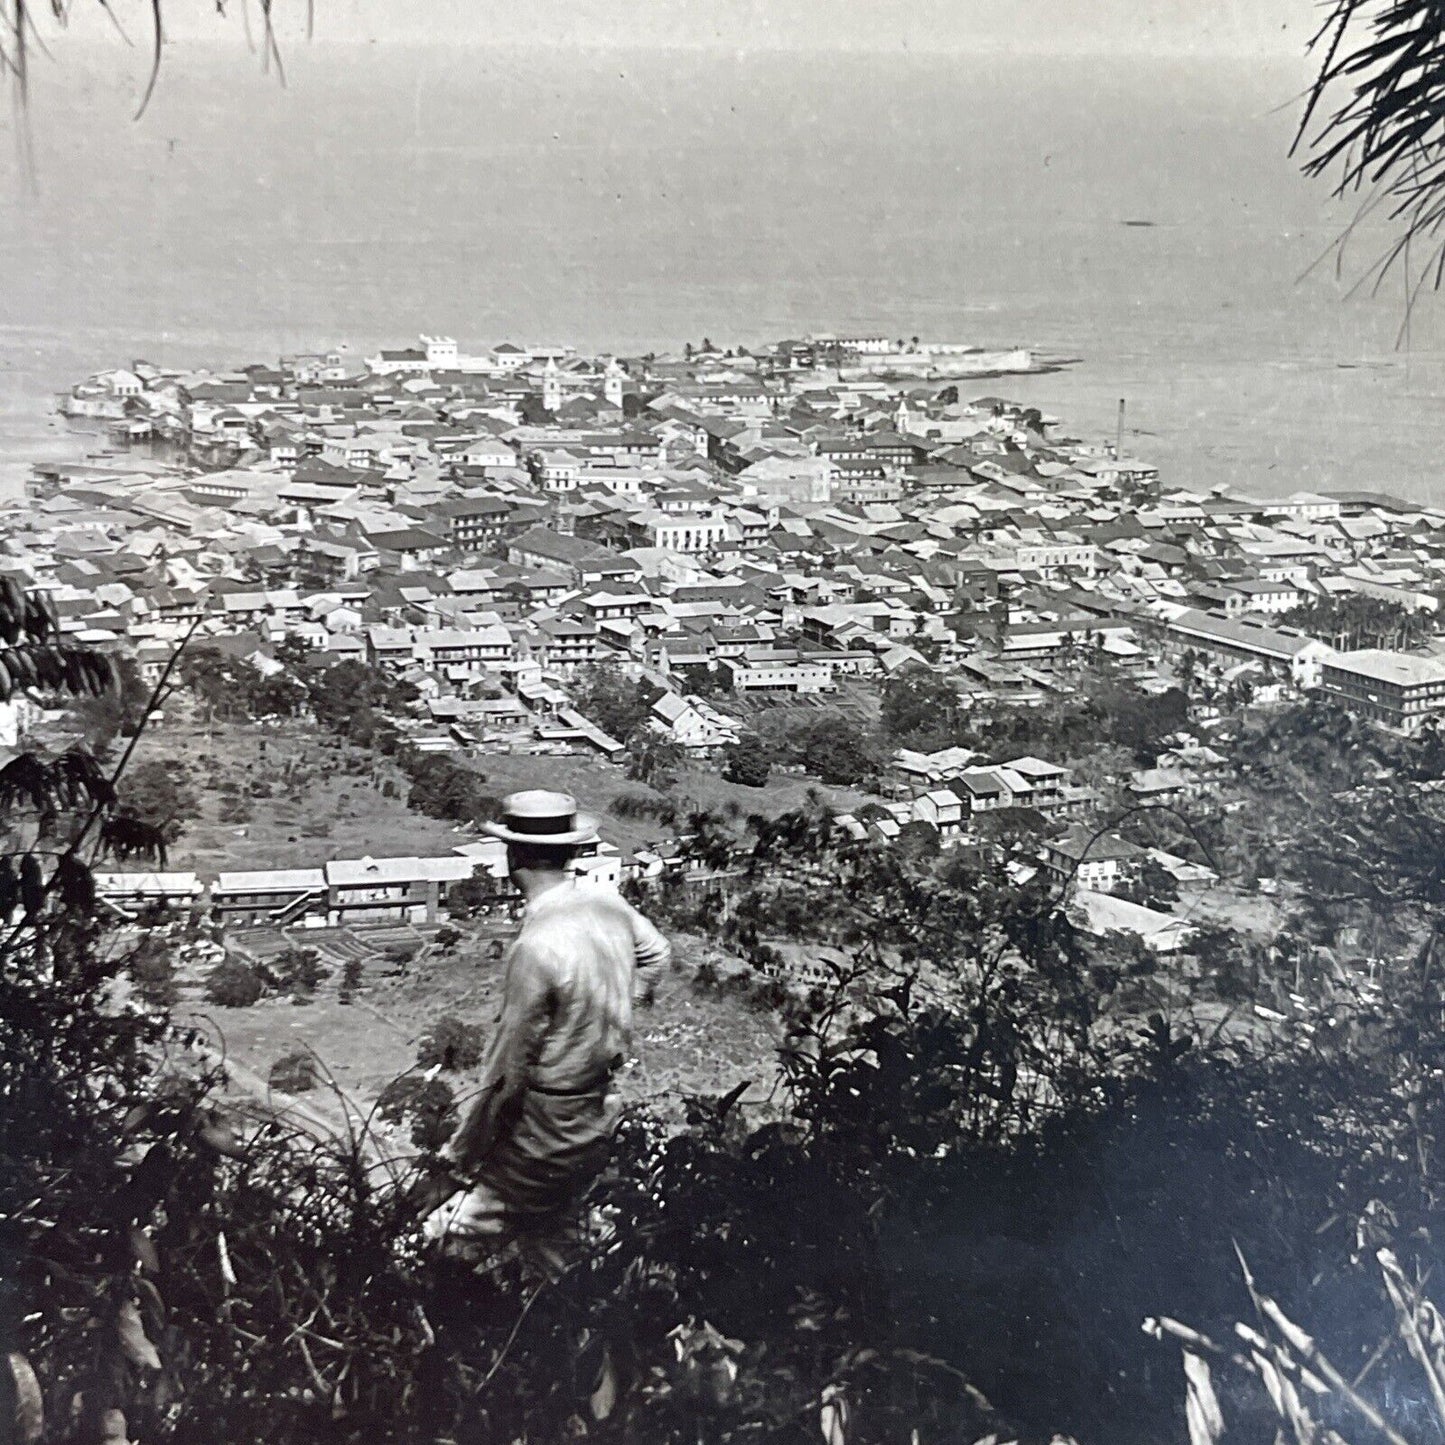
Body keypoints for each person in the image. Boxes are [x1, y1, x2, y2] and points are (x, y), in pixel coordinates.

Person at [420, 790, 671, 1266]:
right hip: (596, 1110)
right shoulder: (605, 903)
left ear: (512, 856)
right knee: (555, 1244)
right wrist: (614, 1008)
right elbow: (657, 955)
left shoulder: (536, 945)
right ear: (572, 851)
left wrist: (459, 1160)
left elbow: (507, 1072)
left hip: (546, 1125)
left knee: (445, 1242)